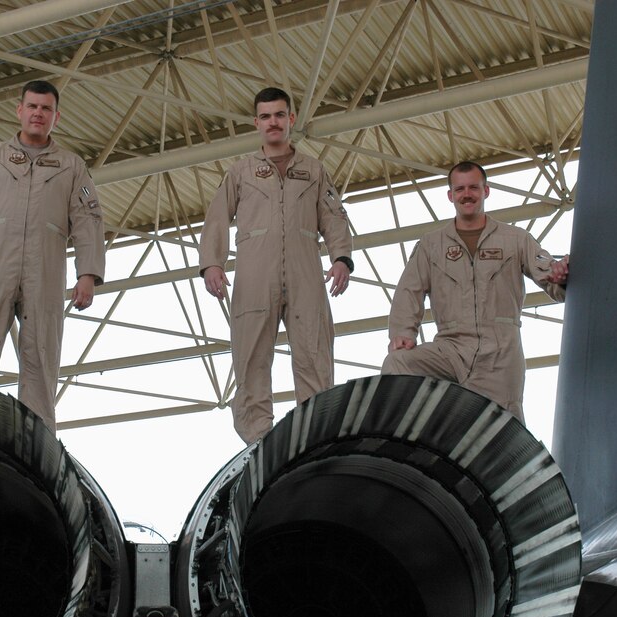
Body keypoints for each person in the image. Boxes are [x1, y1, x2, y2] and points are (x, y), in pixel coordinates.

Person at [0, 79, 105, 429]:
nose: (38, 113)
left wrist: (87, 275)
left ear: (56, 117)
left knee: (41, 359)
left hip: (44, 274)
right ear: (19, 110)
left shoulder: (71, 166)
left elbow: (88, 221)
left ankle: (38, 439)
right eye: (32, 106)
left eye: (45, 109)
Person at [199, 87, 354, 444]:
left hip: (306, 276)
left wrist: (341, 257)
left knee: (315, 354)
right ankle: (258, 443)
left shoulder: (313, 170)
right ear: (257, 123)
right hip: (255, 276)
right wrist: (212, 263)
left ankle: (315, 438)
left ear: (291, 120)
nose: (273, 122)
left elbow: (333, 217)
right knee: (251, 359)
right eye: (266, 116)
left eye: (279, 115)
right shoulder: (241, 172)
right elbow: (217, 217)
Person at [382, 160, 570, 421]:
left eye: (473, 187)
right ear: (450, 195)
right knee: (397, 363)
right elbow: (409, 290)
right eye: (459, 189)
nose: (466, 194)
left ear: (486, 191)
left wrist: (561, 276)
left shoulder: (515, 239)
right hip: (450, 347)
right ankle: (407, 448)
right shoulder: (431, 245)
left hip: (500, 353)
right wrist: (402, 332)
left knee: (505, 430)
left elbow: (549, 276)